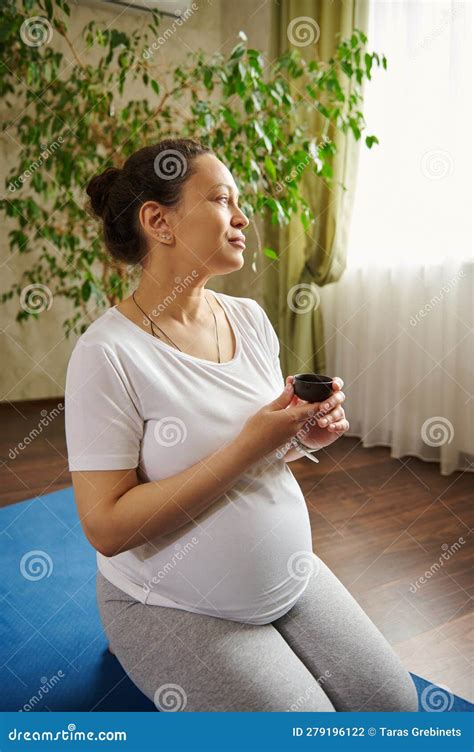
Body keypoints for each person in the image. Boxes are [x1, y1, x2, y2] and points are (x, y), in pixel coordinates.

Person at [64, 138, 418, 712]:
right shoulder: (107, 354)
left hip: (291, 577)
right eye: (222, 199)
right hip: (170, 602)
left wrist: (302, 438)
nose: (243, 216)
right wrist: (252, 444)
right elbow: (105, 527)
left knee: (396, 708)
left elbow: (261, 448)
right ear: (159, 221)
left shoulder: (250, 319)